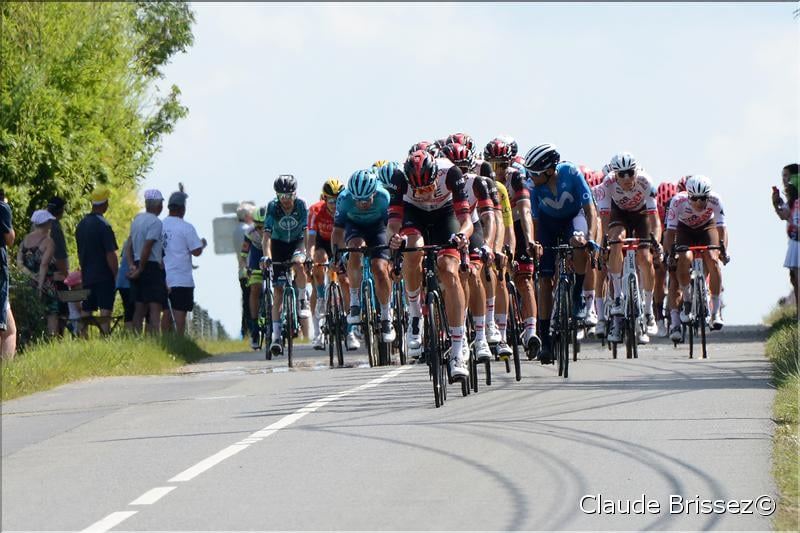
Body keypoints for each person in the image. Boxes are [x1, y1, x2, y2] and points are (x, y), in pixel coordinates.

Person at [388, 150, 473, 379]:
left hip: (445, 214)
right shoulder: (400, 179)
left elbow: (466, 221)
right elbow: (393, 223)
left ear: (436, 176)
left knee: (448, 269)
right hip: (414, 215)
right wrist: (395, 239)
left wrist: (463, 235)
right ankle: (415, 314)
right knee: (412, 249)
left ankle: (457, 350)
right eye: (419, 191)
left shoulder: (451, 173)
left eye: (428, 188)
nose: (424, 194)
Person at [523, 143, 597, 364]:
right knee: (545, 280)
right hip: (547, 224)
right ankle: (545, 340)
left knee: (578, 242)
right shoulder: (533, 187)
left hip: (572, 219)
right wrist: (535, 244)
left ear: (548, 171)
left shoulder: (571, 173)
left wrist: (590, 237)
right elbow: (535, 221)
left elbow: (589, 209)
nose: (529, 177)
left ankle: (577, 295)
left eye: (533, 173)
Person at [596, 152, 662, 344]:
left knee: (645, 257)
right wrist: (604, 244)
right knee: (615, 240)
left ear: (636, 171)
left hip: (641, 215)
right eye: (621, 174)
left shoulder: (646, 182)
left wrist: (655, 242)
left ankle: (648, 311)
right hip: (619, 214)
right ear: (614, 174)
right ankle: (617, 296)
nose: (626, 178)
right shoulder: (607, 184)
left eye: (629, 173)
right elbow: (604, 219)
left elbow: (654, 220)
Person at [332, 169, 395, 350]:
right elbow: (337, 232)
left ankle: (386, 316)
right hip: (355, 228)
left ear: (374, 193)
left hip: (378, 228)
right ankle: (355, 301)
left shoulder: (384, 197)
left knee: (380, 268)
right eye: (358, 200)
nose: (362, 204)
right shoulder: (344, 199)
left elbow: (391, 226)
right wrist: (336, 255)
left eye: (367, 199)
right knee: (355, 248)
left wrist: (393, 253)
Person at [663, 175, 729, 340]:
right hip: (684, 229)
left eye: (703, 198)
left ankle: (715, 312)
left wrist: (723, 251)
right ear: (688, 195)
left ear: (709, 195)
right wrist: (670, 254)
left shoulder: (716, 200)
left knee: (713, 259)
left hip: (707, 227)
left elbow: (722, 230)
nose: (699, 203)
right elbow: (670, 233)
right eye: (695, 199)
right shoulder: (677, 202)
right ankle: (686, 299)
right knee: (684, 257)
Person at [261, 175, 311, 356]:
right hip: (279, 244)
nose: (286, 200)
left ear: (295, 194)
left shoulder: (301, 205)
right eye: (281, 196)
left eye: (289, 196)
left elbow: (306, 231)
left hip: (297, 242)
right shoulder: (272, 207)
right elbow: (266, 237)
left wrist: (307, 254)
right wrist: (266, 256)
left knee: (299, 264)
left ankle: (302, 299)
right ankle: (276, 337)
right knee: (279, 292)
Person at [307, 178, 347, 350]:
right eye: (330, 200)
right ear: (324, 199)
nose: (334, 204)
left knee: (345, 281)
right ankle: (318, 330)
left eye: (337, 200)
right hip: (322, 244)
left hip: (340, 244)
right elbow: (310, 239)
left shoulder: (345, 209)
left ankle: (349, 327)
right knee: (319, 260)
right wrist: (309, 257)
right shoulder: (316, 210)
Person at [75, 185, 119, 336]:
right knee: (105, 310)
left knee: (86, 309)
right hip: (104, 276)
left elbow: (80, 253)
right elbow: (110, 254)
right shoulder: (104, 226)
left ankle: (82, 338)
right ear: (105, 204)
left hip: (87, 275)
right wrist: (116, 274)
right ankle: (104, 337)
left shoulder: (81, 225)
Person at [162, 190, 206, 335]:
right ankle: (179, 341)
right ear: (183, 209)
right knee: (179, 313)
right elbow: (196, 251)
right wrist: (202, 244)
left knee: (166, 313)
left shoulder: (160, 225)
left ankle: (165, 342)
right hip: (181, 278)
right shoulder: (186, 227)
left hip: (163, 278)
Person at [126, 189, 165, 335]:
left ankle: (135, 340)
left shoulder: (137, 220)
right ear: (158, 205)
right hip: (150, 266)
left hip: (136, 263)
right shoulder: (156, 222)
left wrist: (132, 265)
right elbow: (148, 246)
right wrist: (141, 269)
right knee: (155, 307)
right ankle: (155, 340)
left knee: (139, 307)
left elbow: (128, 245)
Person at [17, 210, 59, 336]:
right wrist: (40, 286)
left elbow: (19, 263)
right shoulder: (48, 241)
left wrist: (31, 276)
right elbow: (44, 265)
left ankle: (33, 340)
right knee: (52, 312)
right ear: (46, 224)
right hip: (46, 284)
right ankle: (52, 340)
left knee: (32, 313)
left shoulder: (25, 241)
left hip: (28, 284)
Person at [771, 163, 799, 312]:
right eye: (783, 175)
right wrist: (775, 203)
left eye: (787, 175)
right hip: (794, 242)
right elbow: (784, 215)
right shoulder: (791, 197)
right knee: (794, 278)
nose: (784, 179)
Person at [46, 197, 69, 334]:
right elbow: (60, 255)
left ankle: (48, 337)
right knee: (61, 310)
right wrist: (65, 273)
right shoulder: (55, 226)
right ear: (60, 210)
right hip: (55, 275)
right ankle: (56, 339)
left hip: (40, 275)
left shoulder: (38, 224)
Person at [1, 188, 17, 358]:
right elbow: (10, 239)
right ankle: (5, 371)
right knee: (8, 331)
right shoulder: (2, 208)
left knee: (10, 327)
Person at [235, 202, 255, 338]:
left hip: (241, 270)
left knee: (246, 302)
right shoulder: (248, 230)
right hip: (250, 269)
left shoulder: (236, 230)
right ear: (248, 216)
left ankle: (245, 331)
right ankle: (251, 329)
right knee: (252, 301)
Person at [116, 239, 135, 332]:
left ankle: (129, 334)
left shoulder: (127, 241)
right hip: (128, 280)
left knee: (128, 310)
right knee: (131, 310)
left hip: (122, 280)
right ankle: (130, 334)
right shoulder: (137, 241)